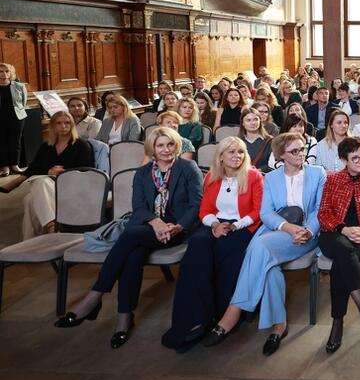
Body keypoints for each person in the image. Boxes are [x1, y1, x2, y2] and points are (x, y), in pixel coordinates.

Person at [55, 127, 202, 348]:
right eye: (160, 145)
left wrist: (177, 226)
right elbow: (139, 208)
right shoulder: (143, 173)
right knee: (133, 256)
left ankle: (95, 297)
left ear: (177, 146)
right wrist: (156, 222)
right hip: (147, 226)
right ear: (152, 148)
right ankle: (124, 317)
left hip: (176, 229)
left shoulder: (187, 167)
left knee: (131, 235)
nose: (165, 149)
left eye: (170, 144)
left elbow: (196, 204)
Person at [203, 133, 326, 355]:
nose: (301, 154)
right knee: (269, 267)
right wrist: (287, 227)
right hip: (277, 230)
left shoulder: (318, 174)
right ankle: (279, 327)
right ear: (281, 155)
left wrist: (307, 230)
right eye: (294, 151)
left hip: (307, 234)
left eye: (302, 149)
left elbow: (320, 209)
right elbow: (266, 213)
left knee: (259, 248)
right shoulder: (271, 178)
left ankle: (233, 312)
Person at [161, 137, 263, 351]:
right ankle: (193, 319)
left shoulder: (253, 176)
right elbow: (204, 210)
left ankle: (223, 316)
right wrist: (216, 225)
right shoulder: (212, 178)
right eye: (231, 152)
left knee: (228, 252)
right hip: (214, 225)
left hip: (244, 226)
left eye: (241, 152)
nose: (237, 156)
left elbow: (257, 211)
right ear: (221, 157)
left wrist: (235, 226)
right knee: (196, 250)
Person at [318, 137, 360, 353]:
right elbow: (323, 214)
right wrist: (344, 229)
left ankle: (337, 323)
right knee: (343, 248)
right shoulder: (333, 181)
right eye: (355, 157)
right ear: (344, 160)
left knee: (341, 264)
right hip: (335, 233)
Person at [5, 111, 94, 238]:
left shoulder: (81, 145)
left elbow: (87, 172)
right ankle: (50, 229)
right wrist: (49, 172)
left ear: (72, 125)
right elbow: (34, 167)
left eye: (67, 123)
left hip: (71, 187)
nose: (63, 126)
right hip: (50, 187)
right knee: (30, 198)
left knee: (32, 196)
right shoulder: (46, 146)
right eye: (59, 123)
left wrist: (63, 173)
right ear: (53, 126)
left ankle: (39, 235)